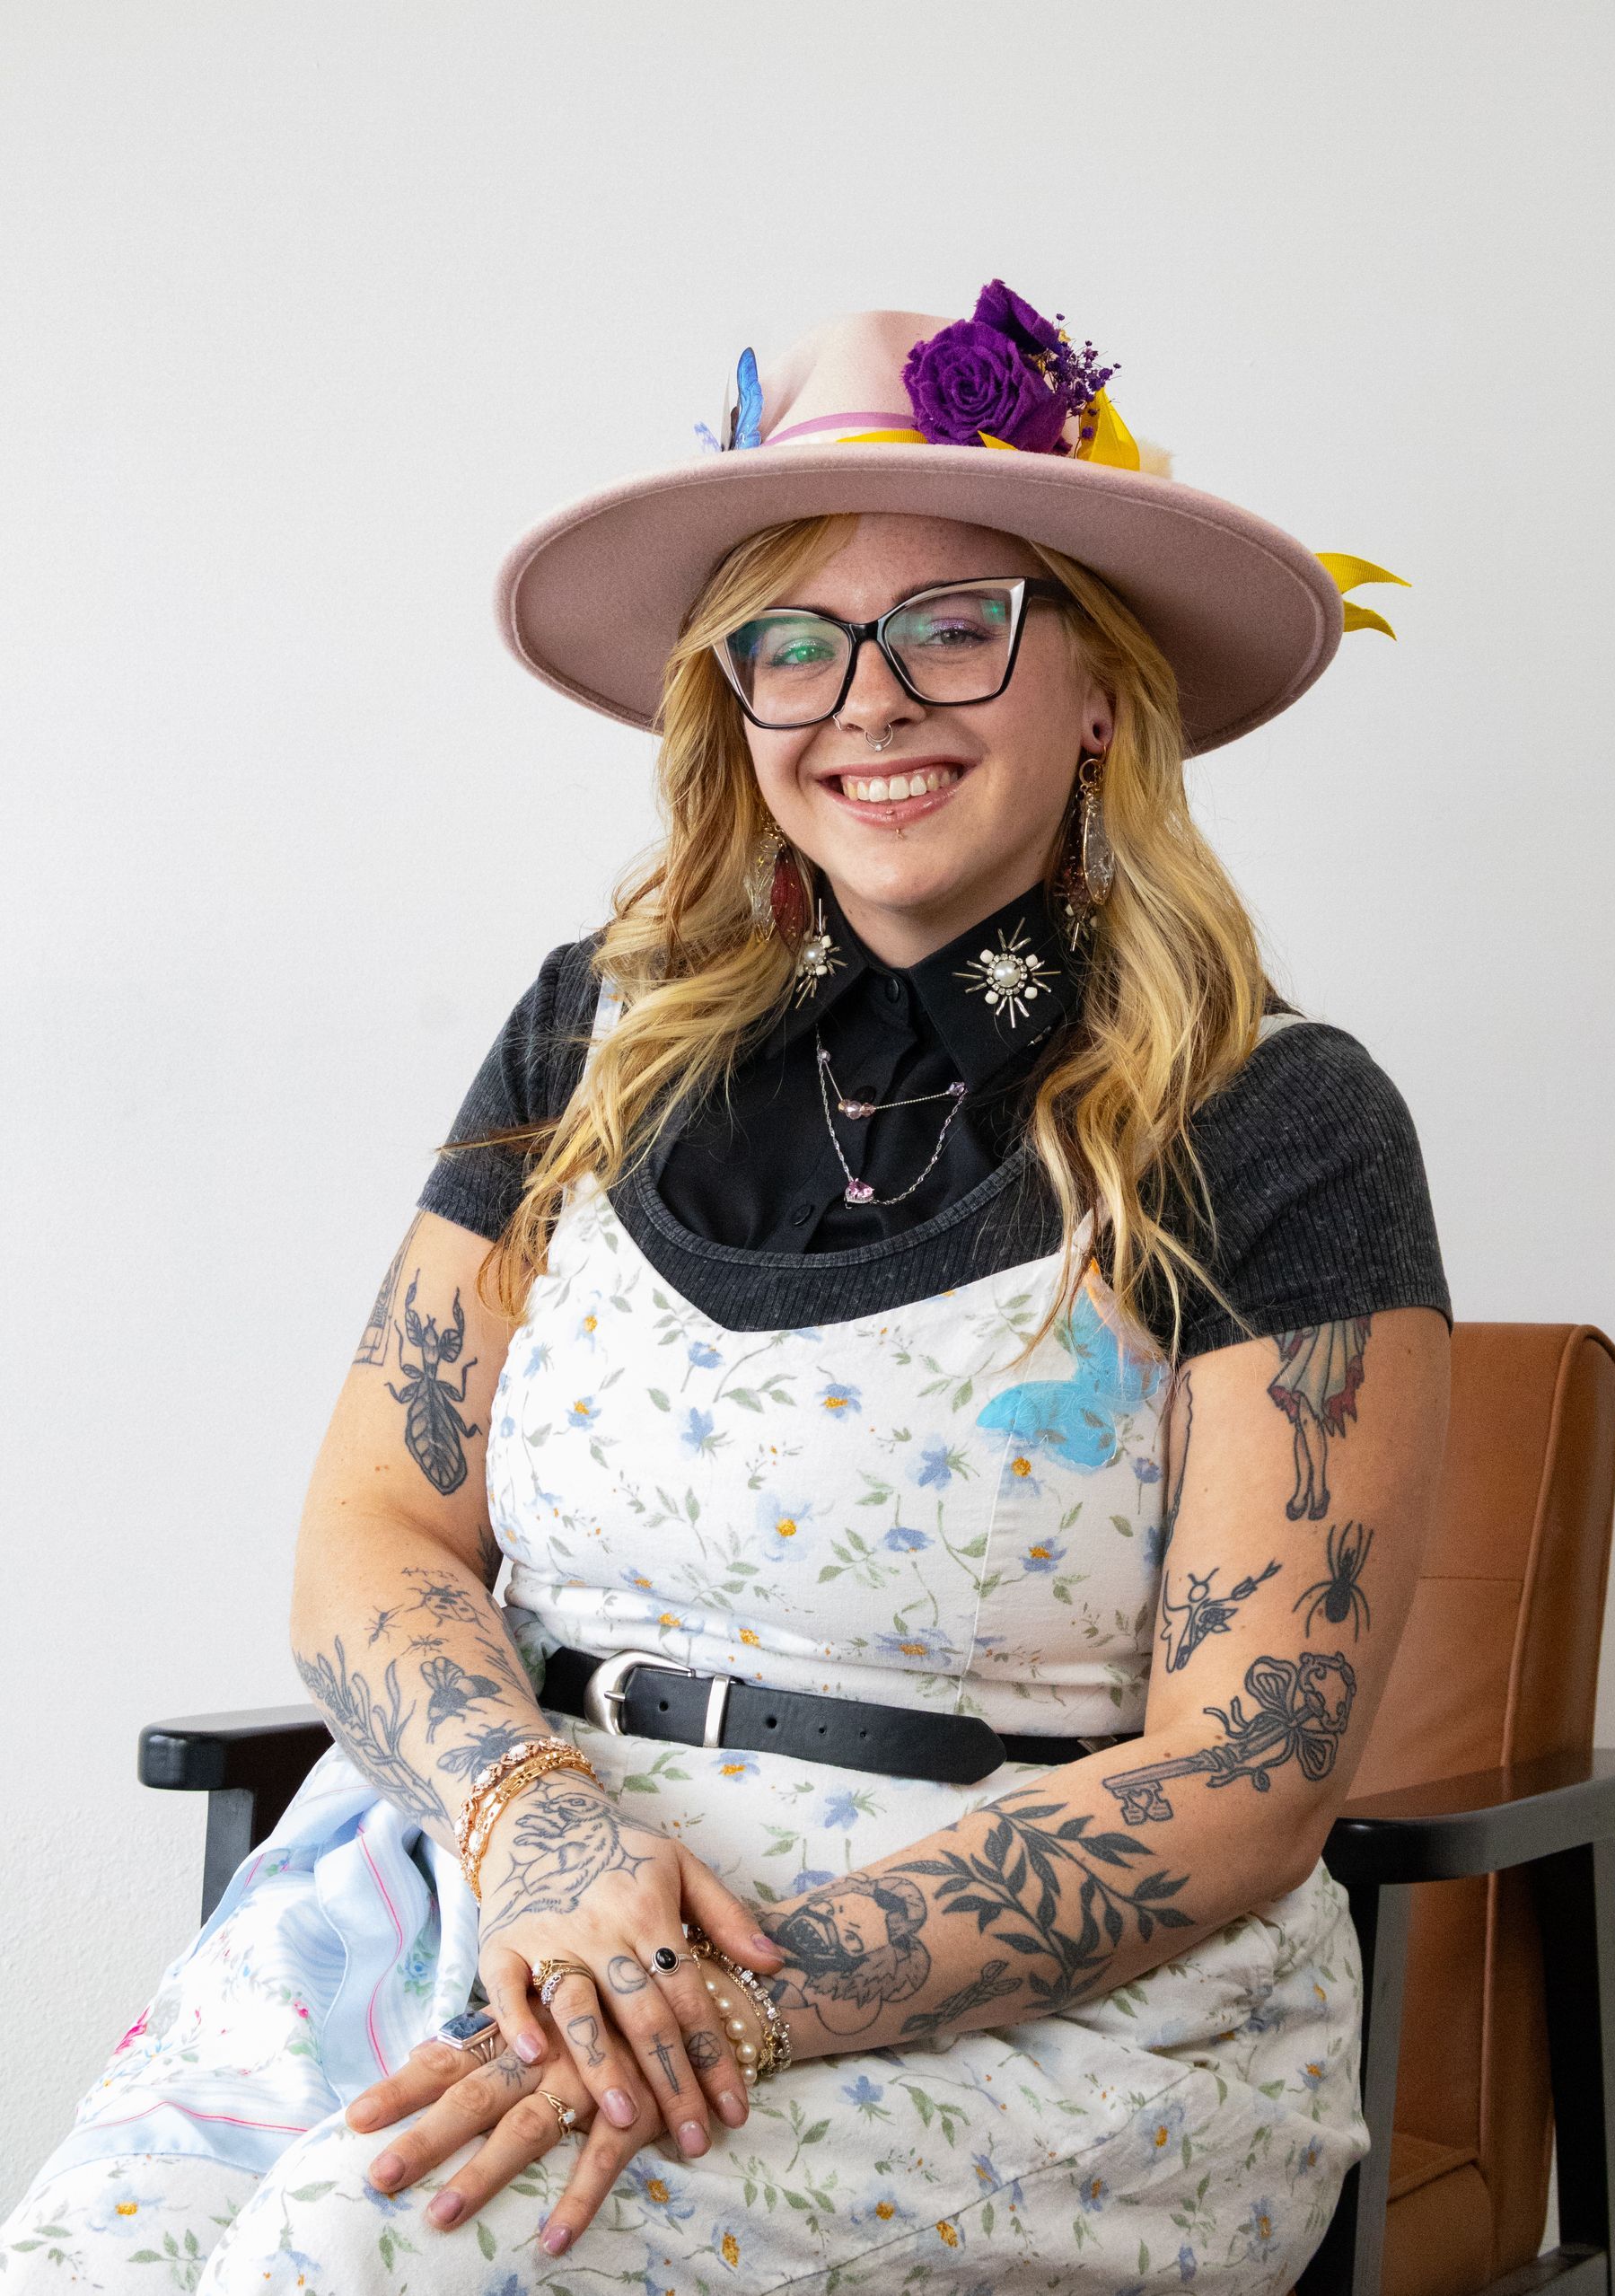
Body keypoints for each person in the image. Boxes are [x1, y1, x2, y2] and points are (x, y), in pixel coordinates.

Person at [3, 286, 1452, 2294]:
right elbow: (374, 1524)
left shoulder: (1281, 1120)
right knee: (98, 2255)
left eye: (959, 623)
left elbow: (1252, 1767)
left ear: (1102, 689)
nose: (870, 698)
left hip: (1011, 2006)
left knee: (364, 2250)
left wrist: (734, 1998)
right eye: (796, 641)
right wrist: (533, 1819)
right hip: (503, 1880)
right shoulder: (588, 1038)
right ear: (734, 701)